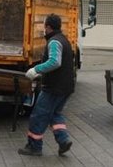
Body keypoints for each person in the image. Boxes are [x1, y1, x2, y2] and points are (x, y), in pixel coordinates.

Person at [19, 13, 74, 157]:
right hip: (66, 87)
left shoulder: (54, 42)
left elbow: (55, 61)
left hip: (54, 88)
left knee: (39, 115)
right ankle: (63, 141)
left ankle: (34, 147)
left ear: (48, 27)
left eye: (45, 27)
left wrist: (36, 70)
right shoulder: (63, 39)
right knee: (54, 114)